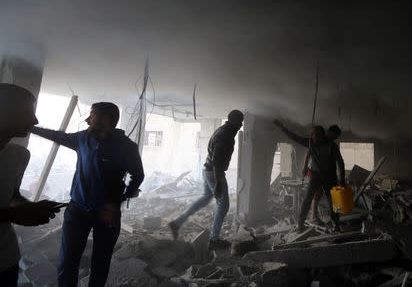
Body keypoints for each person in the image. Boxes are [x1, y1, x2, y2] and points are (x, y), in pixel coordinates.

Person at [30, 102, 144, 287]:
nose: (87, 119)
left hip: (107, 214)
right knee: (67, 261)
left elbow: (138, 175)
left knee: (100, 262)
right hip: (78, 210)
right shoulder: (83, 138)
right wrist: (31, 128)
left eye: (92, 115)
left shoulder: (126, 147)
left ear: (106, 119)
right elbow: (59, 136)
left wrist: (119, 201)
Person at [0, 83, 60, 287]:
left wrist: (29, 207)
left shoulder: (19, 156)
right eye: (27, 112)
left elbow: (12, 197)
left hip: (6, 260)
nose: (35, 120)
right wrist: (13, 216)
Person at [169, 110, 244, 249]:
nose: (241, 125)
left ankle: (177, 223)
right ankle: (214, 240)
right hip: (214, 172)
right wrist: (218, 184)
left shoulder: (223, 130)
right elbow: (217, 162)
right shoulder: (225, 135)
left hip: (208, 170)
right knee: (224, 205)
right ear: (233, 121)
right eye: (239, 122)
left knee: (205, 198)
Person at [274, 120, 345, 233]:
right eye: (312, 134)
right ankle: (300, 224)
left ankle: (336, 225)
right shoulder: (311, 142)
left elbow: (340, 162)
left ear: (322, 135)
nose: (313, 136)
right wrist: (283, 128)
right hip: (315, 175)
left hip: (330, 176)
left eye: (315, 134)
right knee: (307, 199)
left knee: (333, 201)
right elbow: (296, 138)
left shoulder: (331, 145)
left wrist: (342, 179)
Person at [302, 125, 342, 225]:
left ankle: (334, 221)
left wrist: (340, 177)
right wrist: (305, 167)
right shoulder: (317, 142)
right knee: (316, 194)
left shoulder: (331, 145)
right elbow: (308, 154)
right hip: (316, 172)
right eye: (335, 135)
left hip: (328, 175)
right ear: (329, 133)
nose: (335, 138)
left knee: (331, 198)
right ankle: (313, 216)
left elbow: (339, 162)